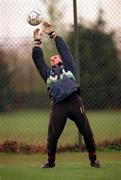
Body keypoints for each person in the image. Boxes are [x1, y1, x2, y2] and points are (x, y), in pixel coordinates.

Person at [32, 21, 101, 168]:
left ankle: (93, 159)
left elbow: (65, 51)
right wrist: (37, 42)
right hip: (58, 105)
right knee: (52, 137)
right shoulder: (48, 74)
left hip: (74, 101)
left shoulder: (69, 68)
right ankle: (51, 162)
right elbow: (38, 61)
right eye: (51, 59)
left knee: (87, 132)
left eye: (55, 56)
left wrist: (53, 34)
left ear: (62, 60)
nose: (52, 58)